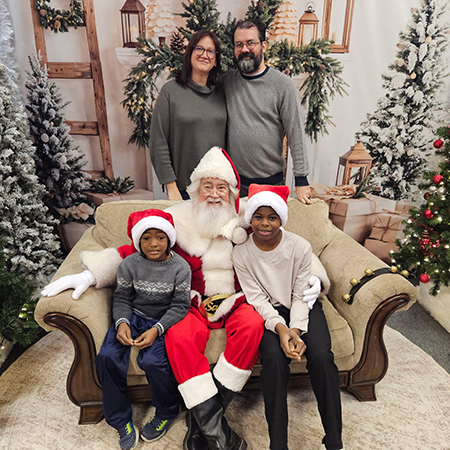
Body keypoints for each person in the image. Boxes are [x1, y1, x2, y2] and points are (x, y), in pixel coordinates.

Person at [41, 147, 326, 450]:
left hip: (239, 297)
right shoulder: (176, 218)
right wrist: (92, 274)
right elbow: (135, 251)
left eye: (221, 187)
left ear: (231, 191)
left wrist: (314, 277)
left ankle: (201, 422)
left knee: (253, 326)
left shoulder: (250, 215)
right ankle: (216, 428)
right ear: (195, 189)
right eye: (207, 186)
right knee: (178, 336)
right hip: (191, 300)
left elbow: (288, 245)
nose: (214, 194)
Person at [232, 184, 343, 450]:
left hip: (303, 305)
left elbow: (300, 293)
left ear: (281, 218)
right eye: (258, 217)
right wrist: (282, 329)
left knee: (322, 357)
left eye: (272, 217)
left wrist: (297, 330)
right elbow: (257, 298)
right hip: (270, 313)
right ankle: (278, 444)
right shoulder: (241, 253)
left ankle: (334, 440)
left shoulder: (299, 246)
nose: (265, 223)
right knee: (273, 360)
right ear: (250, 219)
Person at [94, 209, 191, 450]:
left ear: (169, 239)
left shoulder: (181, 267)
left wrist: (157, 329)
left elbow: (181, 305)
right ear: (138, 240)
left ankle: (167, 411)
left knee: (153, 362)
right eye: (146, 238)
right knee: (107, 356)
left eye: (160, 237)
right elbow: (122, 297)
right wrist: (122, 323)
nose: (153, 243)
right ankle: (120, 419)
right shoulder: (129, 264)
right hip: (134, 316)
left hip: (162, 320)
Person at [222, 19, 312, 204]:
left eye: (250, 43)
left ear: (263, 46)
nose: (244, 49)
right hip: (234, 185)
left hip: (271, 184)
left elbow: (295, 132)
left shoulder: (283, 85)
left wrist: (301, 179)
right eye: (239, 45)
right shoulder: (226, 82)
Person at [150, 30, 226, 201]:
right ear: (190, 53)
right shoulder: (170, 92)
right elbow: (158, 141)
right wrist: (171, 186)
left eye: (210, 51)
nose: (204, 55)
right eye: (199, 49)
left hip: (219, 189)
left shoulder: (224, 93)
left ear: (216, 60)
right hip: (184, 190)